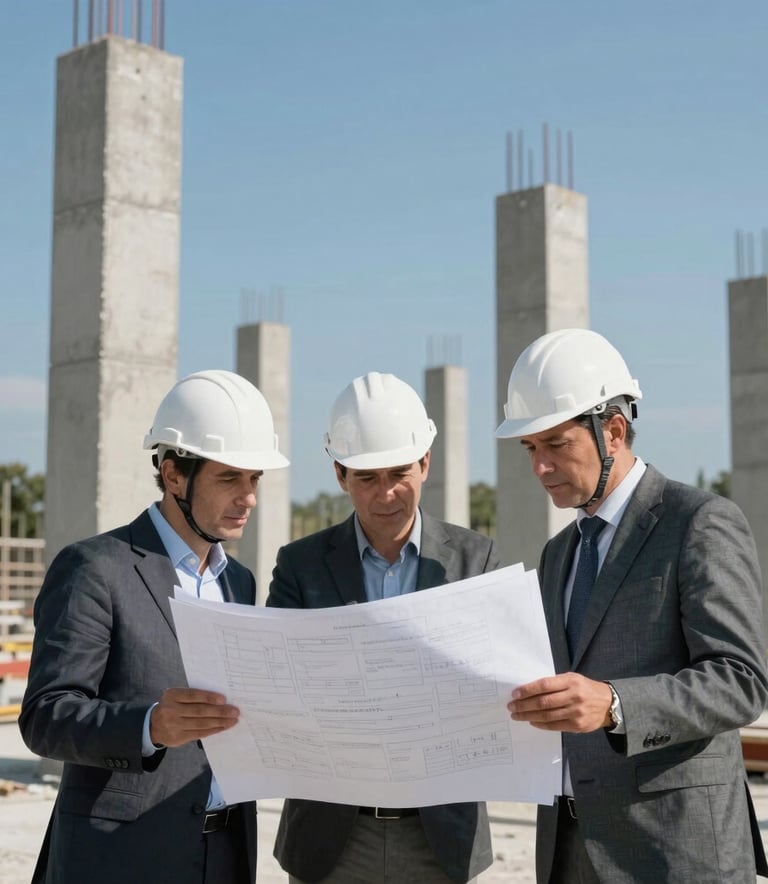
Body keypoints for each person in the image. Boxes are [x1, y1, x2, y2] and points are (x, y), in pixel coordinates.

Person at [496, 328, 768, 883]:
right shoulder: (558, 553)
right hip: (569, 846)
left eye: (556, 445)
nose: (539, 467)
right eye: (530, 448)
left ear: (613, 431)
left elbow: (741, 680)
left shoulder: (698, 522)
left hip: (675, 848)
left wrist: (616, 703)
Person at [19, 369, 289, 884]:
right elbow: (45, 716)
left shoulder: (241, 583)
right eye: (230, 477)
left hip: (228, 851)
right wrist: (149, 727)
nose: (249, 497)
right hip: (122, 857)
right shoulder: (95, 568)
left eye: (255, 479)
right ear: (173, 475)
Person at [267, 370, 499, 884]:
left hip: (440, 835)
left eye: (399, 473)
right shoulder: (300, 566)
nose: (386, 493)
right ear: (339, 474)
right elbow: (278, 685)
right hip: (330, 836)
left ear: (426, 462)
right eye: (366, 478)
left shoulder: (476, 559)